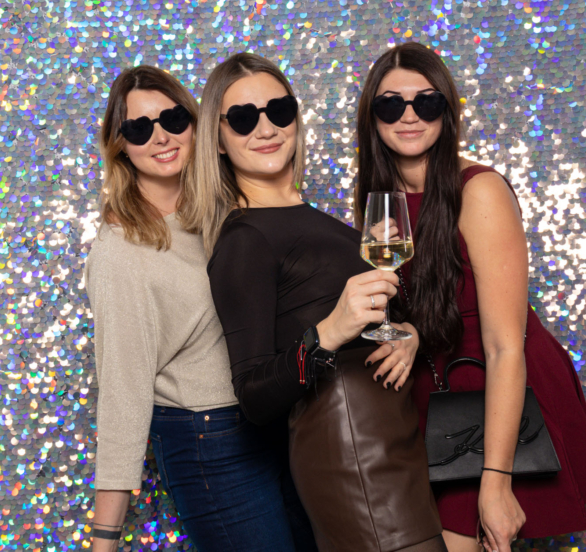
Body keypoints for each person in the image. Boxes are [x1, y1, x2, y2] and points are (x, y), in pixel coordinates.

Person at [354, 42, 586, 552]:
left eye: (426, 102)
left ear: (447, 110)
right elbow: (428, 298)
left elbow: (505, 344)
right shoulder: (383, 200)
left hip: (496, 388)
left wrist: (496, 479)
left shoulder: (479, 190)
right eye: (391, 105)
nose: (409, 116)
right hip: (441, 391)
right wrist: (409, 330)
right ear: (372, 116)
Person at [191, 52, 447, 552]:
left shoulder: (317, 220)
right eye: (242, 118)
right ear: (217, 139)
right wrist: (330, 331)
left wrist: (410, 334)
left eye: (279, 110)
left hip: (392, 440)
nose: (266, 128)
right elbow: (253, 396)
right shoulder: (245, 240)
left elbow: (381, 318)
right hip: (350, 453)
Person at [84, 65, 317, 552]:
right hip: (210, 442)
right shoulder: (120, 250)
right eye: (139, 128)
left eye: (174, 119)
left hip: (278, 420)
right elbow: (123, 391)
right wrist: (105, 540)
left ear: (199, 126)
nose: (161, 137)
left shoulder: (228, 213)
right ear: (120, 145)